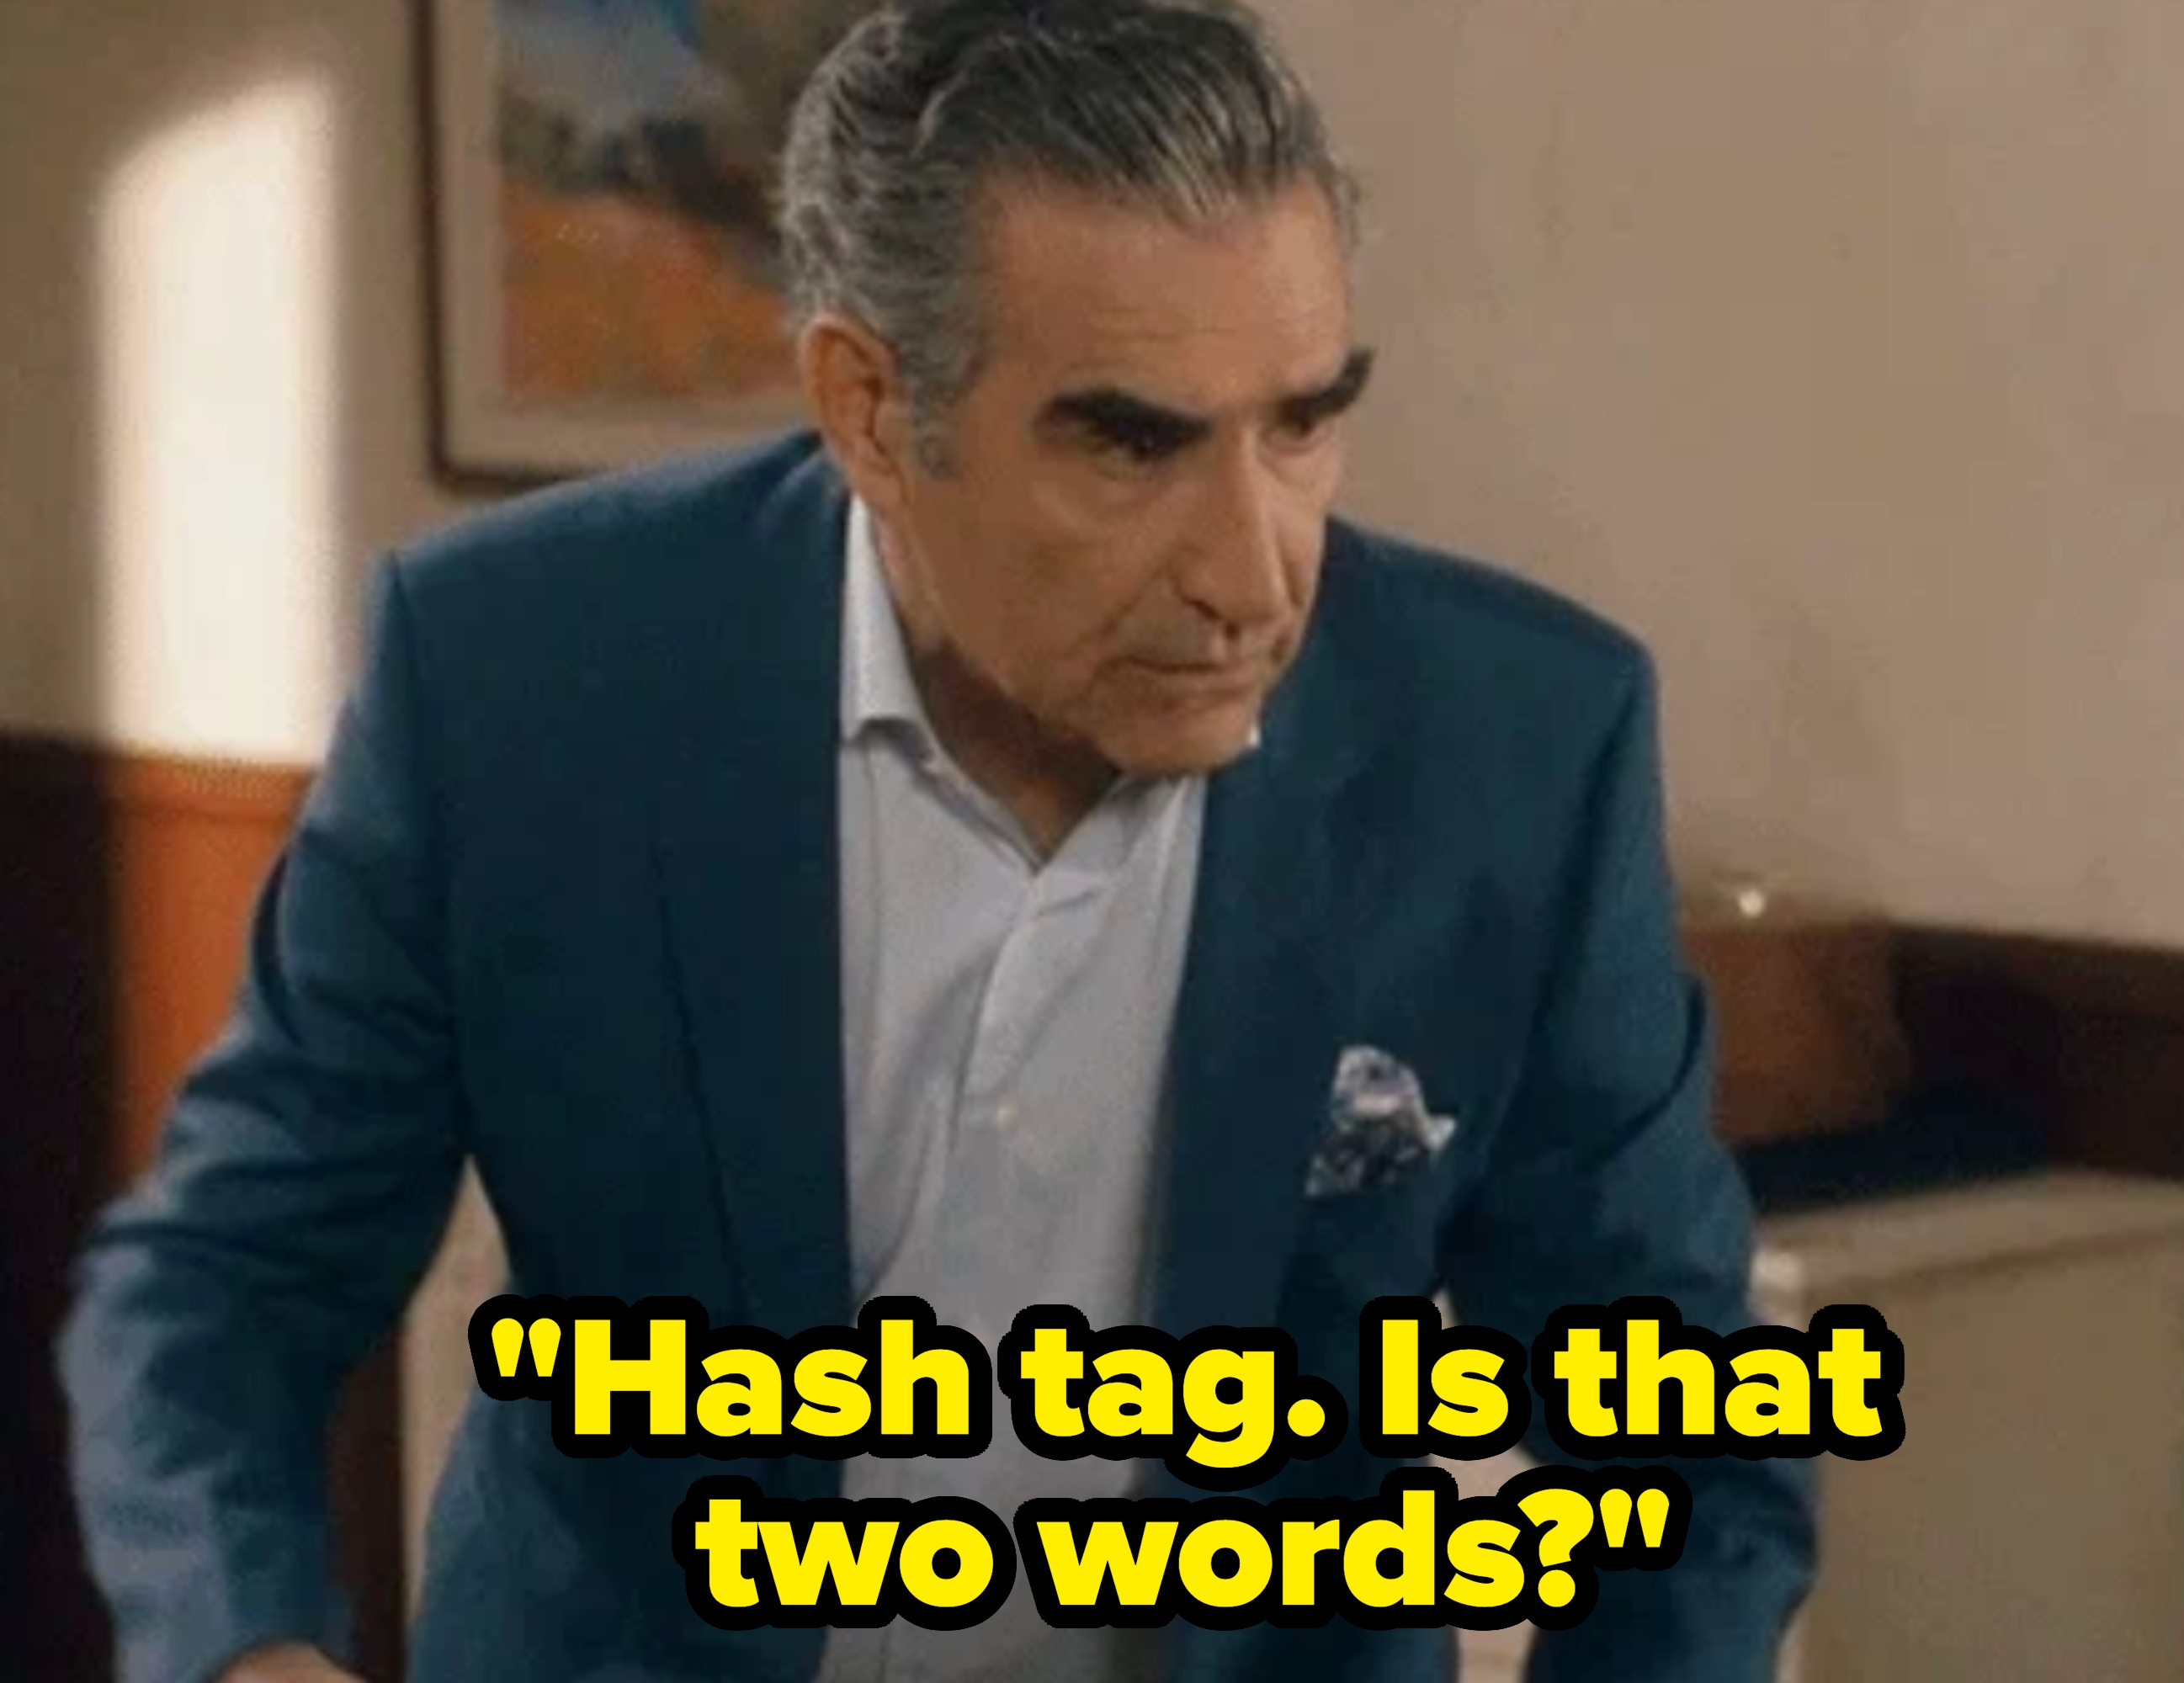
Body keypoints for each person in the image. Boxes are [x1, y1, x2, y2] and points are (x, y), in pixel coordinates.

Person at [61, 1, 1815, 1679]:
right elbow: (228, 1281)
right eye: (1132, 443)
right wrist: (247, 1650)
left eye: (1302, 420)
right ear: (872, 412)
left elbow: (1684, 1425)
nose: (1254, 572)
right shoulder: (514, 681)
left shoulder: (1518, 746)